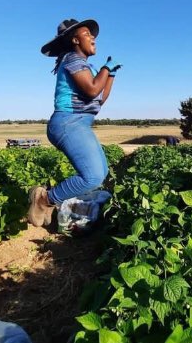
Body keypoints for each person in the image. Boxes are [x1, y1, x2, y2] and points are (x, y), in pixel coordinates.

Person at [27, 18, 121, 228]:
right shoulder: (72, 60)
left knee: (102, 172)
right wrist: (106, 68)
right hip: (68, 123)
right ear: (75, 40)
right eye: (87, 34)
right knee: (93, 177)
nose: (93, 37)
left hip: (80, 123)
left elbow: (99, 99)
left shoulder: (85, 65)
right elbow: (92, 89)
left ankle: (49, 200)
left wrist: (111, 74)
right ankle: (44, 199)